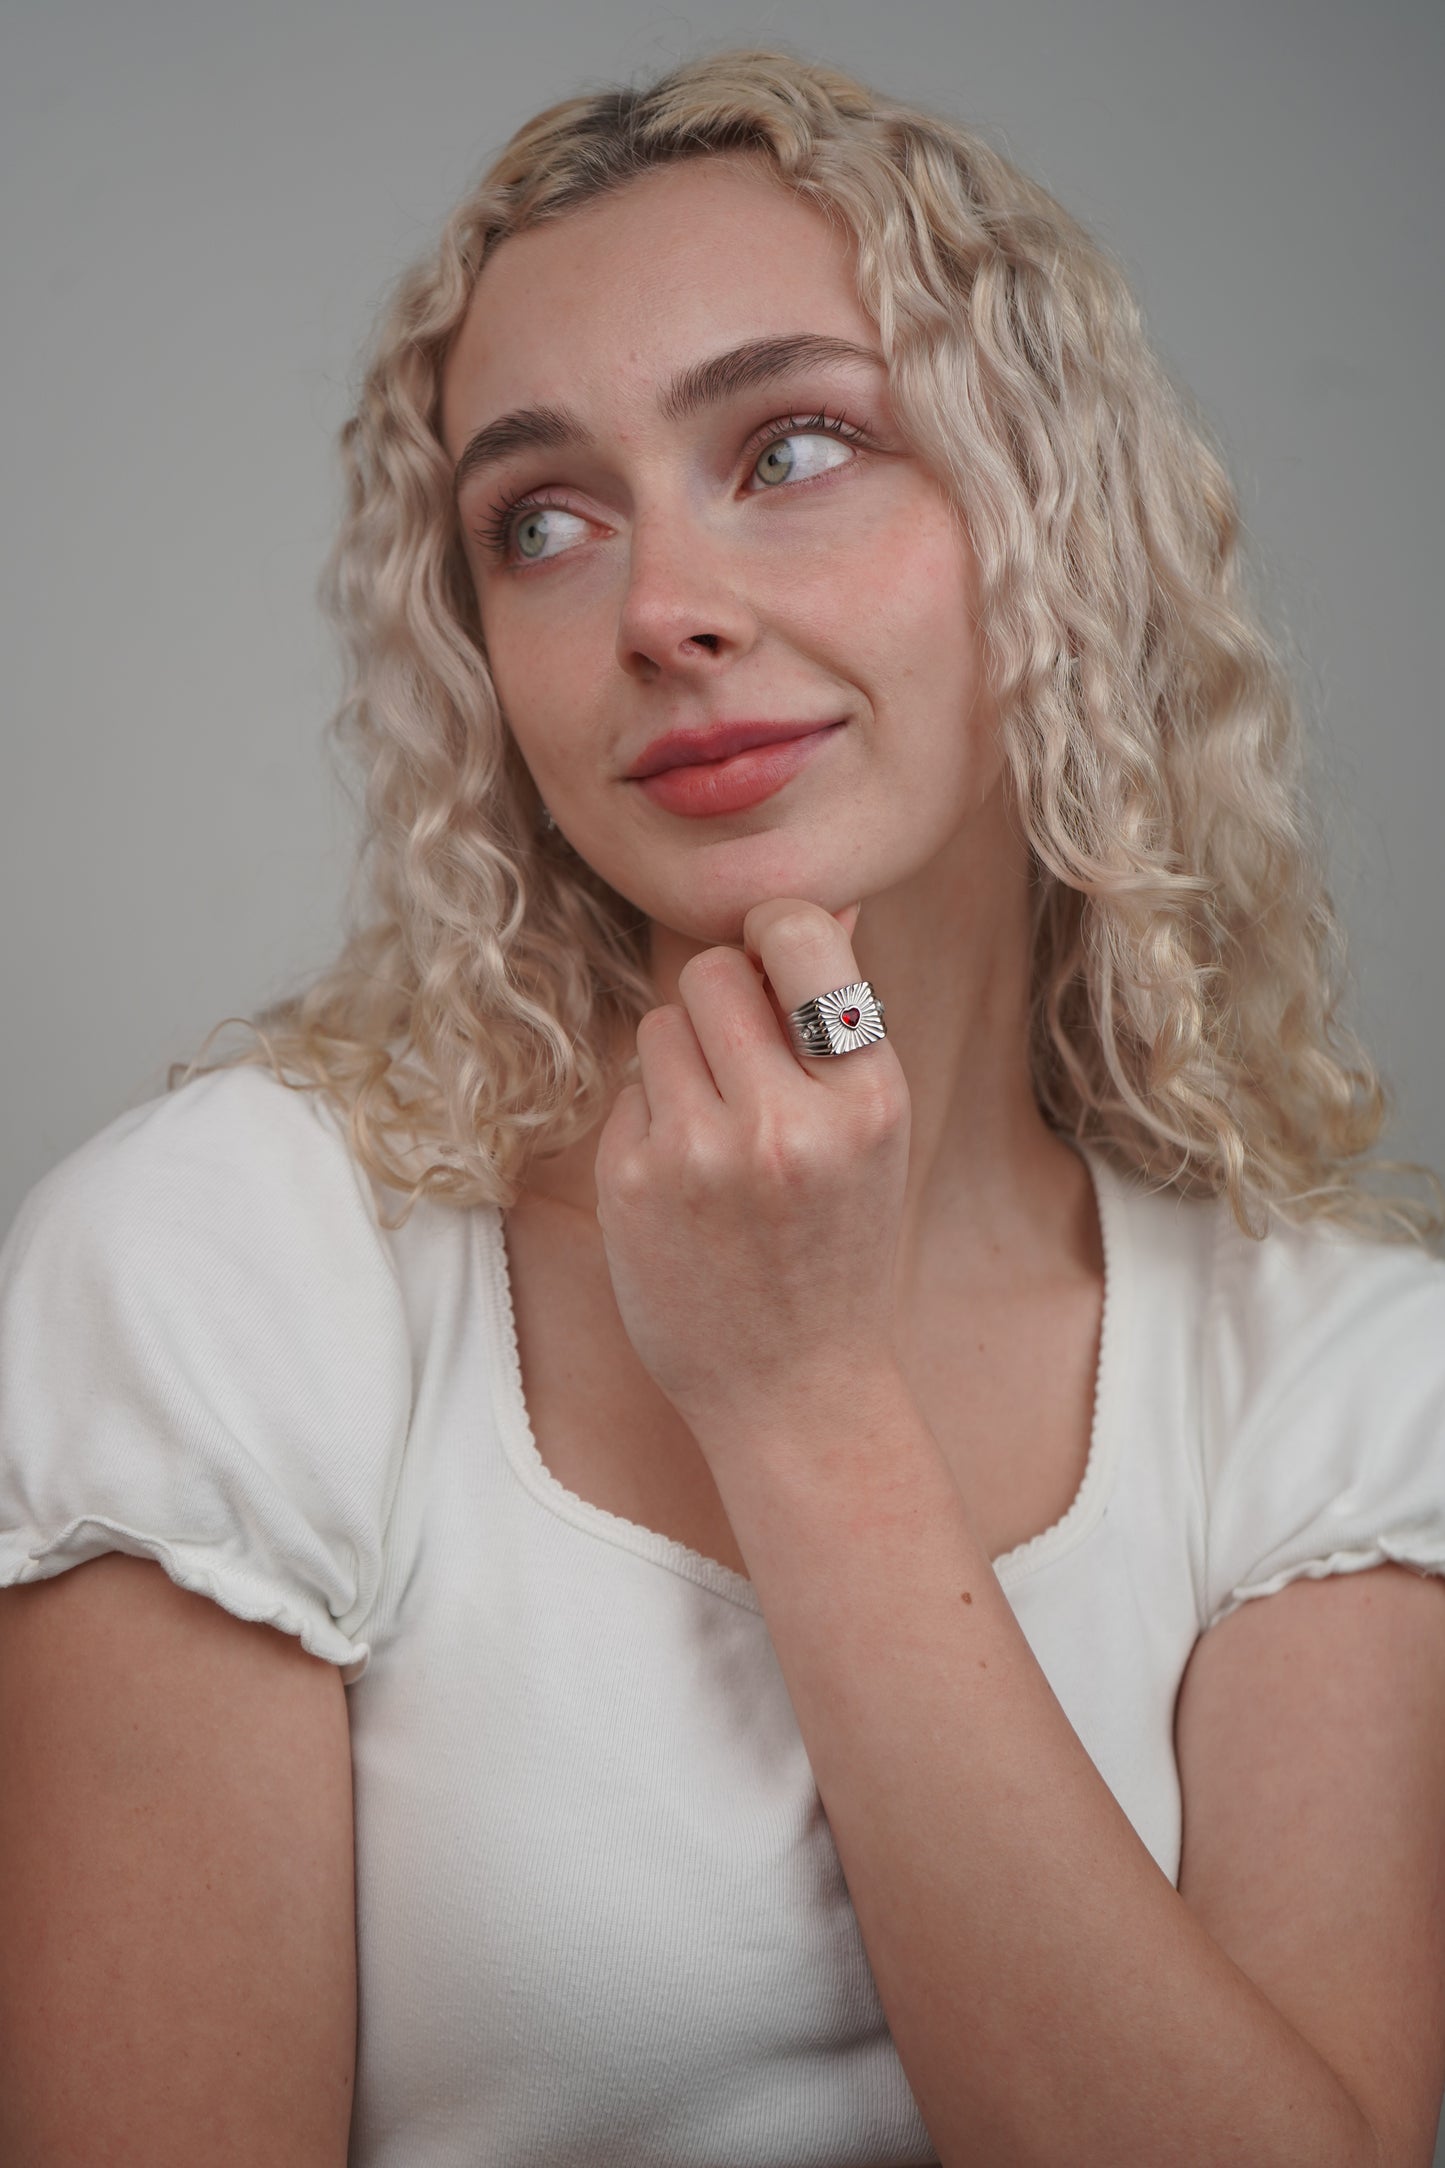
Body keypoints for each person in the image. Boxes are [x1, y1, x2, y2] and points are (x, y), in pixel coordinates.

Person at [2, 45, 1443, 2168]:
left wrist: (802, 1399)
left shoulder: (1334, 1361)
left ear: (1051, 520)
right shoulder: (233, 1266)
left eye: (792, 446)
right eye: (543, 520)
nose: (658, 608)